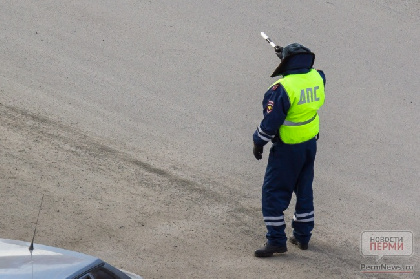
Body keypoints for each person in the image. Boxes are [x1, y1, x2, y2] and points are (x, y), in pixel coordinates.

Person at [253, 43, 326, 257]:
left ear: (286, 63)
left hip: (287, 149)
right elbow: (310, 72)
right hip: (309, 144)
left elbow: (271, 121)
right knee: (304, 191)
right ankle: (302, 237)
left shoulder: (282, 88)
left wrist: (258, 141)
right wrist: (287, 59)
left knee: (273, 193)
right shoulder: (317, 77)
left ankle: (276, 240)